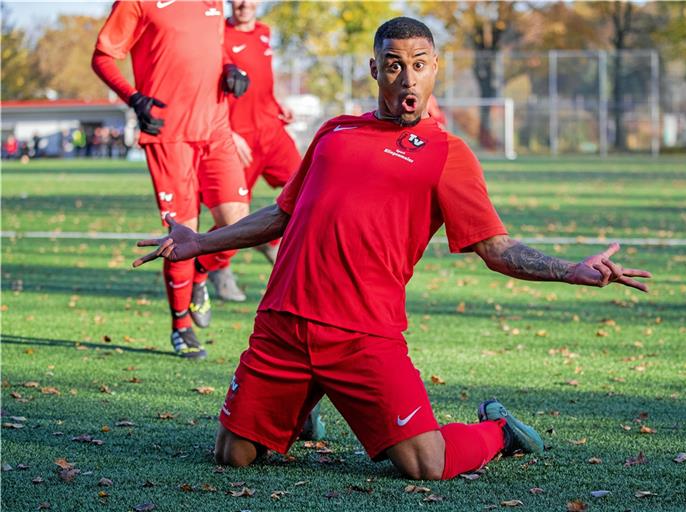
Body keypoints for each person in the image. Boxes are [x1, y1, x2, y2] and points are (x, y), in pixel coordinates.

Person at [133, 17, 651, 479]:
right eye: (394, 65)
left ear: (435, 70)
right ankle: (298, 407)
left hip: (363, 334)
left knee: (424, 465)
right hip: (283, 323)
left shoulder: (448, 154)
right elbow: (281, 215)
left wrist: (570, 270)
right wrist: (199, 242)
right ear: (375, 70)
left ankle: (500, 433)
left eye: (419, 65)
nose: (407, 78)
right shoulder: (334, 133)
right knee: (233, 456)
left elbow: (496, 247)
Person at [92, 0, 252, 359]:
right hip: (167, 134)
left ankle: (199, 273)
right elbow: (102, 56)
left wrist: (230, 68)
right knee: (182, 233)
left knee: (238, 225)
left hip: (216, 129)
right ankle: (181, 325)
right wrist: (134, 99)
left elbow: (216, 46)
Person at [202, 0, 303, 303]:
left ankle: (272, 242)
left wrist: (277, 105)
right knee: (233, 216)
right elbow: (206, 90)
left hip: (272, 133)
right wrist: (228, 132)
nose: (245, 3)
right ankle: (213, 266)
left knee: (309, 191)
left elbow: (261, 84)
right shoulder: (215, 34)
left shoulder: (264, 32)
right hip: (237, 140)